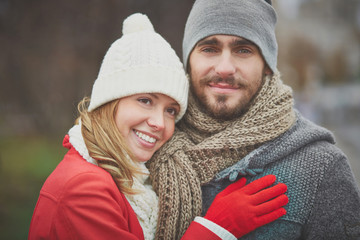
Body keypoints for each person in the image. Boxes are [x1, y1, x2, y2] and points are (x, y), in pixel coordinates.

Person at [28, 13, 289, 240]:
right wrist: (219, 226)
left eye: (170, 111)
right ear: (109, 102)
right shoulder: (83, 189)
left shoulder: (125, 176)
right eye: (145, 101)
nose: (158, 123)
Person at [147, 0, 360, 239]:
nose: (225, 68)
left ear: (267, 65)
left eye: (243, 50)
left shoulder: (322, 167)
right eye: (209, 48)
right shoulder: (147, 144)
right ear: (189, 60)